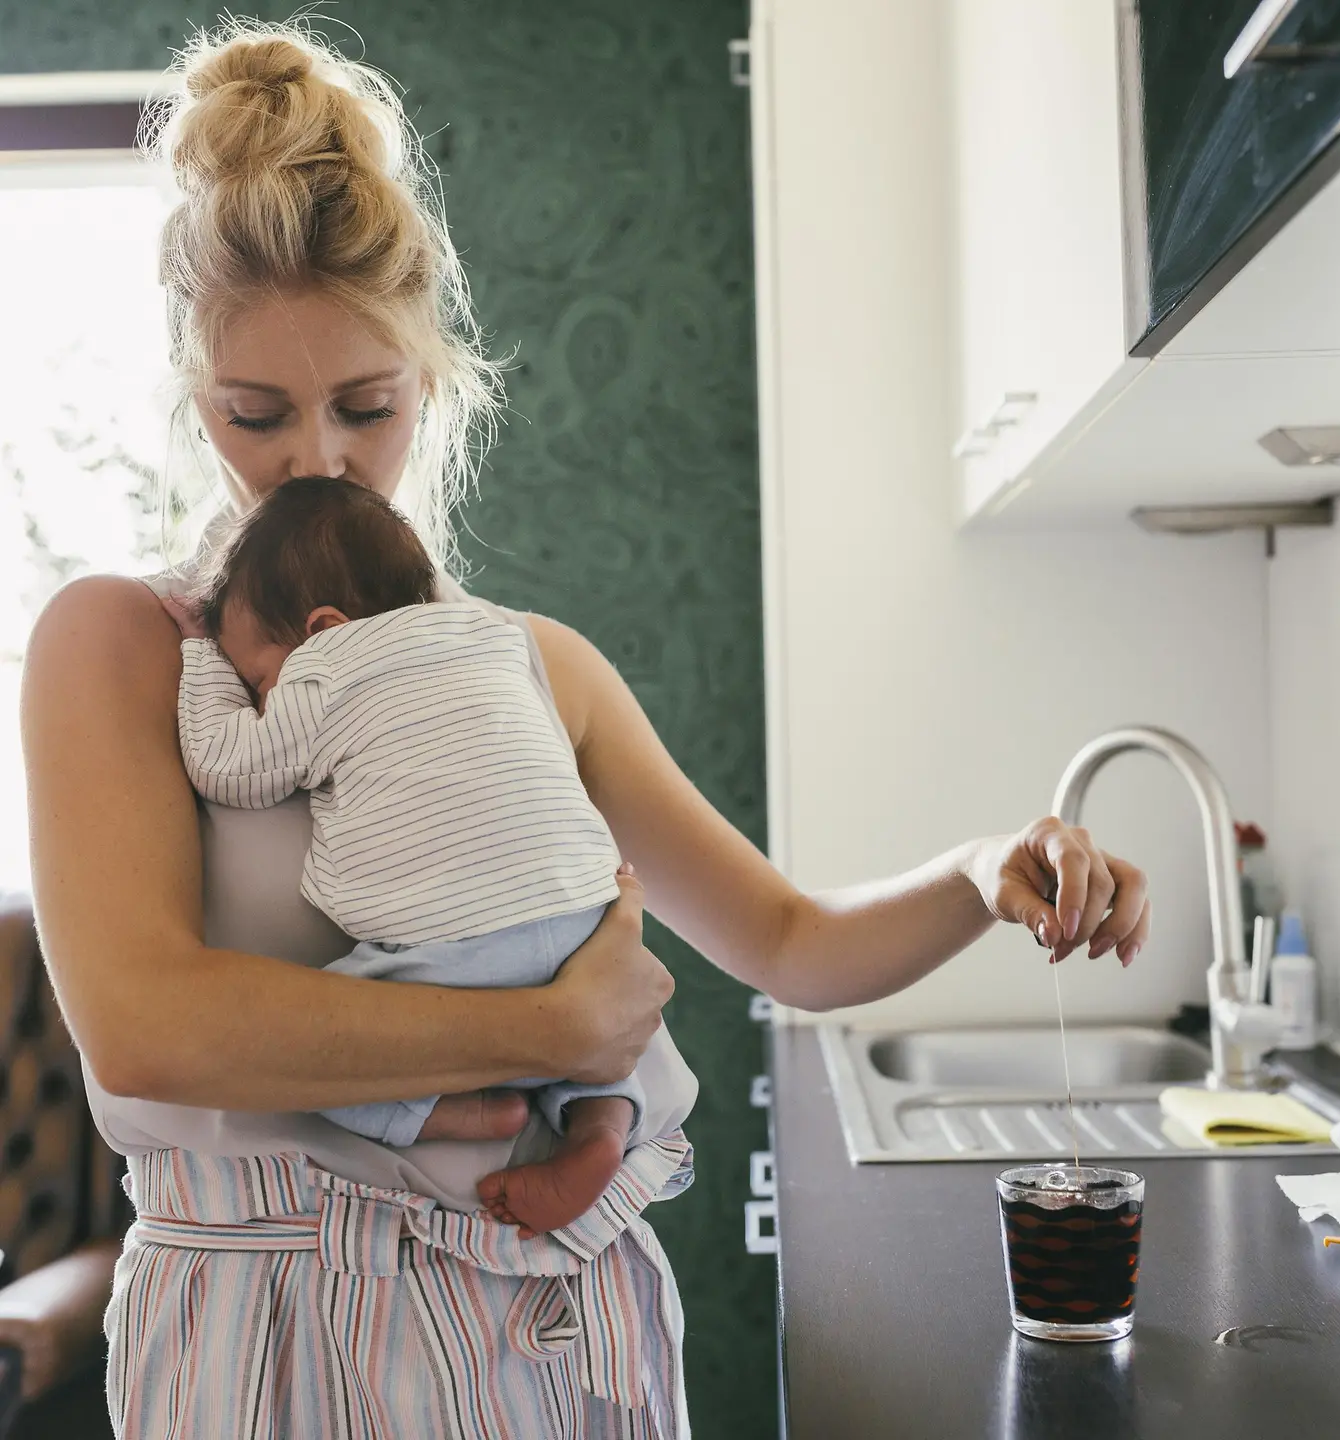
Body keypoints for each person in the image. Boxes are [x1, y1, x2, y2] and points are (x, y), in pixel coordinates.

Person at [20, 20, 1151, 1440]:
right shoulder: (123, 646)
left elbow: (793, 944)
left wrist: (984, 870)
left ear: (431, 386)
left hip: (566, 1331)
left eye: (365, 407)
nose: (316, 460)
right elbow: (145, 1029)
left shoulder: (538, 671)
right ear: (199, 404)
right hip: (267, 1343)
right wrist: (547, 1024)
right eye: (259, 416)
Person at [168, 474, 696, 1237]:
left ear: (320, 628)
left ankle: (461, 1112)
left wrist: (201, 661)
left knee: (306, 1052)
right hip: (584, 914)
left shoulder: (326, 669)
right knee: (625, 1039)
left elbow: (228, 766)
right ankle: (602, 1130)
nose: (260, 699)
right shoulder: (494, 637)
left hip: (455, 938)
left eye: (258, 678)